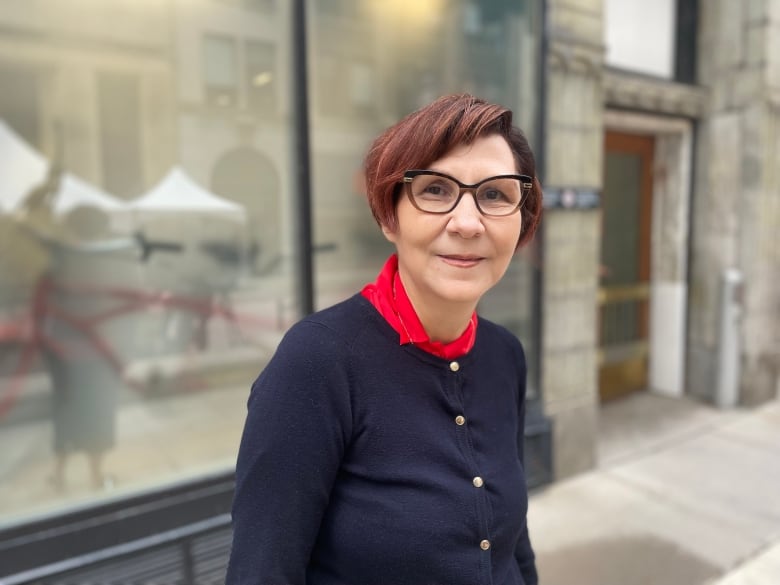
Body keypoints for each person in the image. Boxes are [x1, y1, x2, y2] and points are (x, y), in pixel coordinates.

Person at [227, 94, 543, 585]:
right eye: (436, 190)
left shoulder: (505, 354)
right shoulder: (318, 361)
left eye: (496, 195)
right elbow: (262, 572)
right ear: (388, 216)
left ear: (522, 223)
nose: (466, 222)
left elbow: (514, 542)